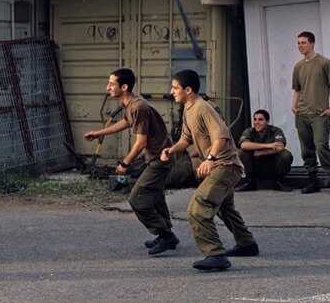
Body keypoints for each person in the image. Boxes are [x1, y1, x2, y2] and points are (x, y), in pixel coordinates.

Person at [161, 70, 259, 271]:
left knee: (198, 207)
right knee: (225, 207)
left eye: (175, 87)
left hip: (225, 166)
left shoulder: (203, 108)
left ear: (188, 90)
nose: (172, 92)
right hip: (223, 166)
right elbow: (186, 139)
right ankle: (247, 244)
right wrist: (171, 150)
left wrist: (210, 159)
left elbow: (221, 136)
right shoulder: (189, 109)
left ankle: (215, 255)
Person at [83, 68, 179, 255]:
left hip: (161, 158)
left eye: (112, 84)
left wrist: (125, 163)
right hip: (158, 157)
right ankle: (166, 233)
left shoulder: (138, 107)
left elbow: (141, 142)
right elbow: (126, 122)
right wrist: (99, 133)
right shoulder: (132, 104)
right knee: (156, 196)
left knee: (137, 199)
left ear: (124, 86)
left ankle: (166, 235)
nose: (107, 87)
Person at [292, 32, 330, 194]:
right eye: (298, 43)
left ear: (312, 44)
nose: (300, 46)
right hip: (302, 114)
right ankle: (313, 180)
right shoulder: (298, 67)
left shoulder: (325, 63)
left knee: (321, 145)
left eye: (303, 43)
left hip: (319, 114)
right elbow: (297, 89)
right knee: (306, 149)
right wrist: (293, 106)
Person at [236, 109, 294, 192]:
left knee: (285, 154)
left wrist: (261, 152)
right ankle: (250, 182)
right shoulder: (249, 131)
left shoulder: (275, 131)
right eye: (255, 119)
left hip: (272, 166)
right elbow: (244, 145)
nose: (257, 122)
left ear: (267, 121)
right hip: (255, 167)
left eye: (260, 120)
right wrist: (268, 145)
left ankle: (278, 182)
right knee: (240, 153)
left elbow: (280, 147)